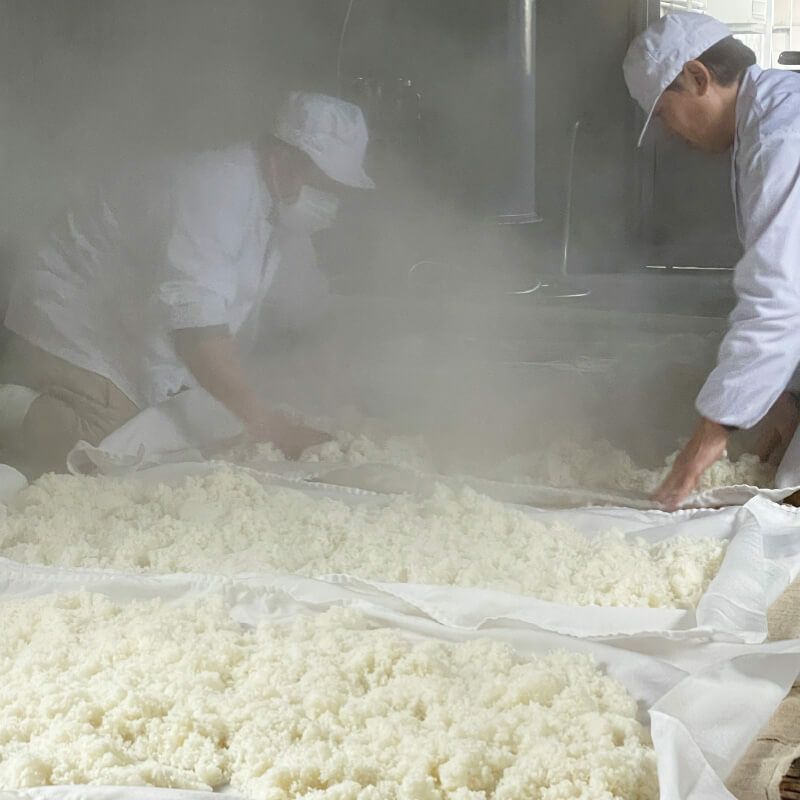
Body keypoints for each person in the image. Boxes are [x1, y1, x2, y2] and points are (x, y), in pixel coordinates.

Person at [0, 91, 374, 477]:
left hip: (133, 325)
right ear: (283, 161)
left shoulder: (284, 217)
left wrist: (335, 392)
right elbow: (196, 329)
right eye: (325, 185)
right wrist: (267, 424)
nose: (331, 201)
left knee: (190, 424)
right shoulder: (217, 189)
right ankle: (9, 404)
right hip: (74, 314)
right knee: (105, 448)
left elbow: (312, 314)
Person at [623, 12, 800, 509]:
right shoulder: (767, 117)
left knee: (785, 506)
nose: (669, 131)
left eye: (662, 113)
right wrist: (778, 396)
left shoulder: (780, 135)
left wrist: (706, 441)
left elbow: (779, 296)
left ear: (698, 77)